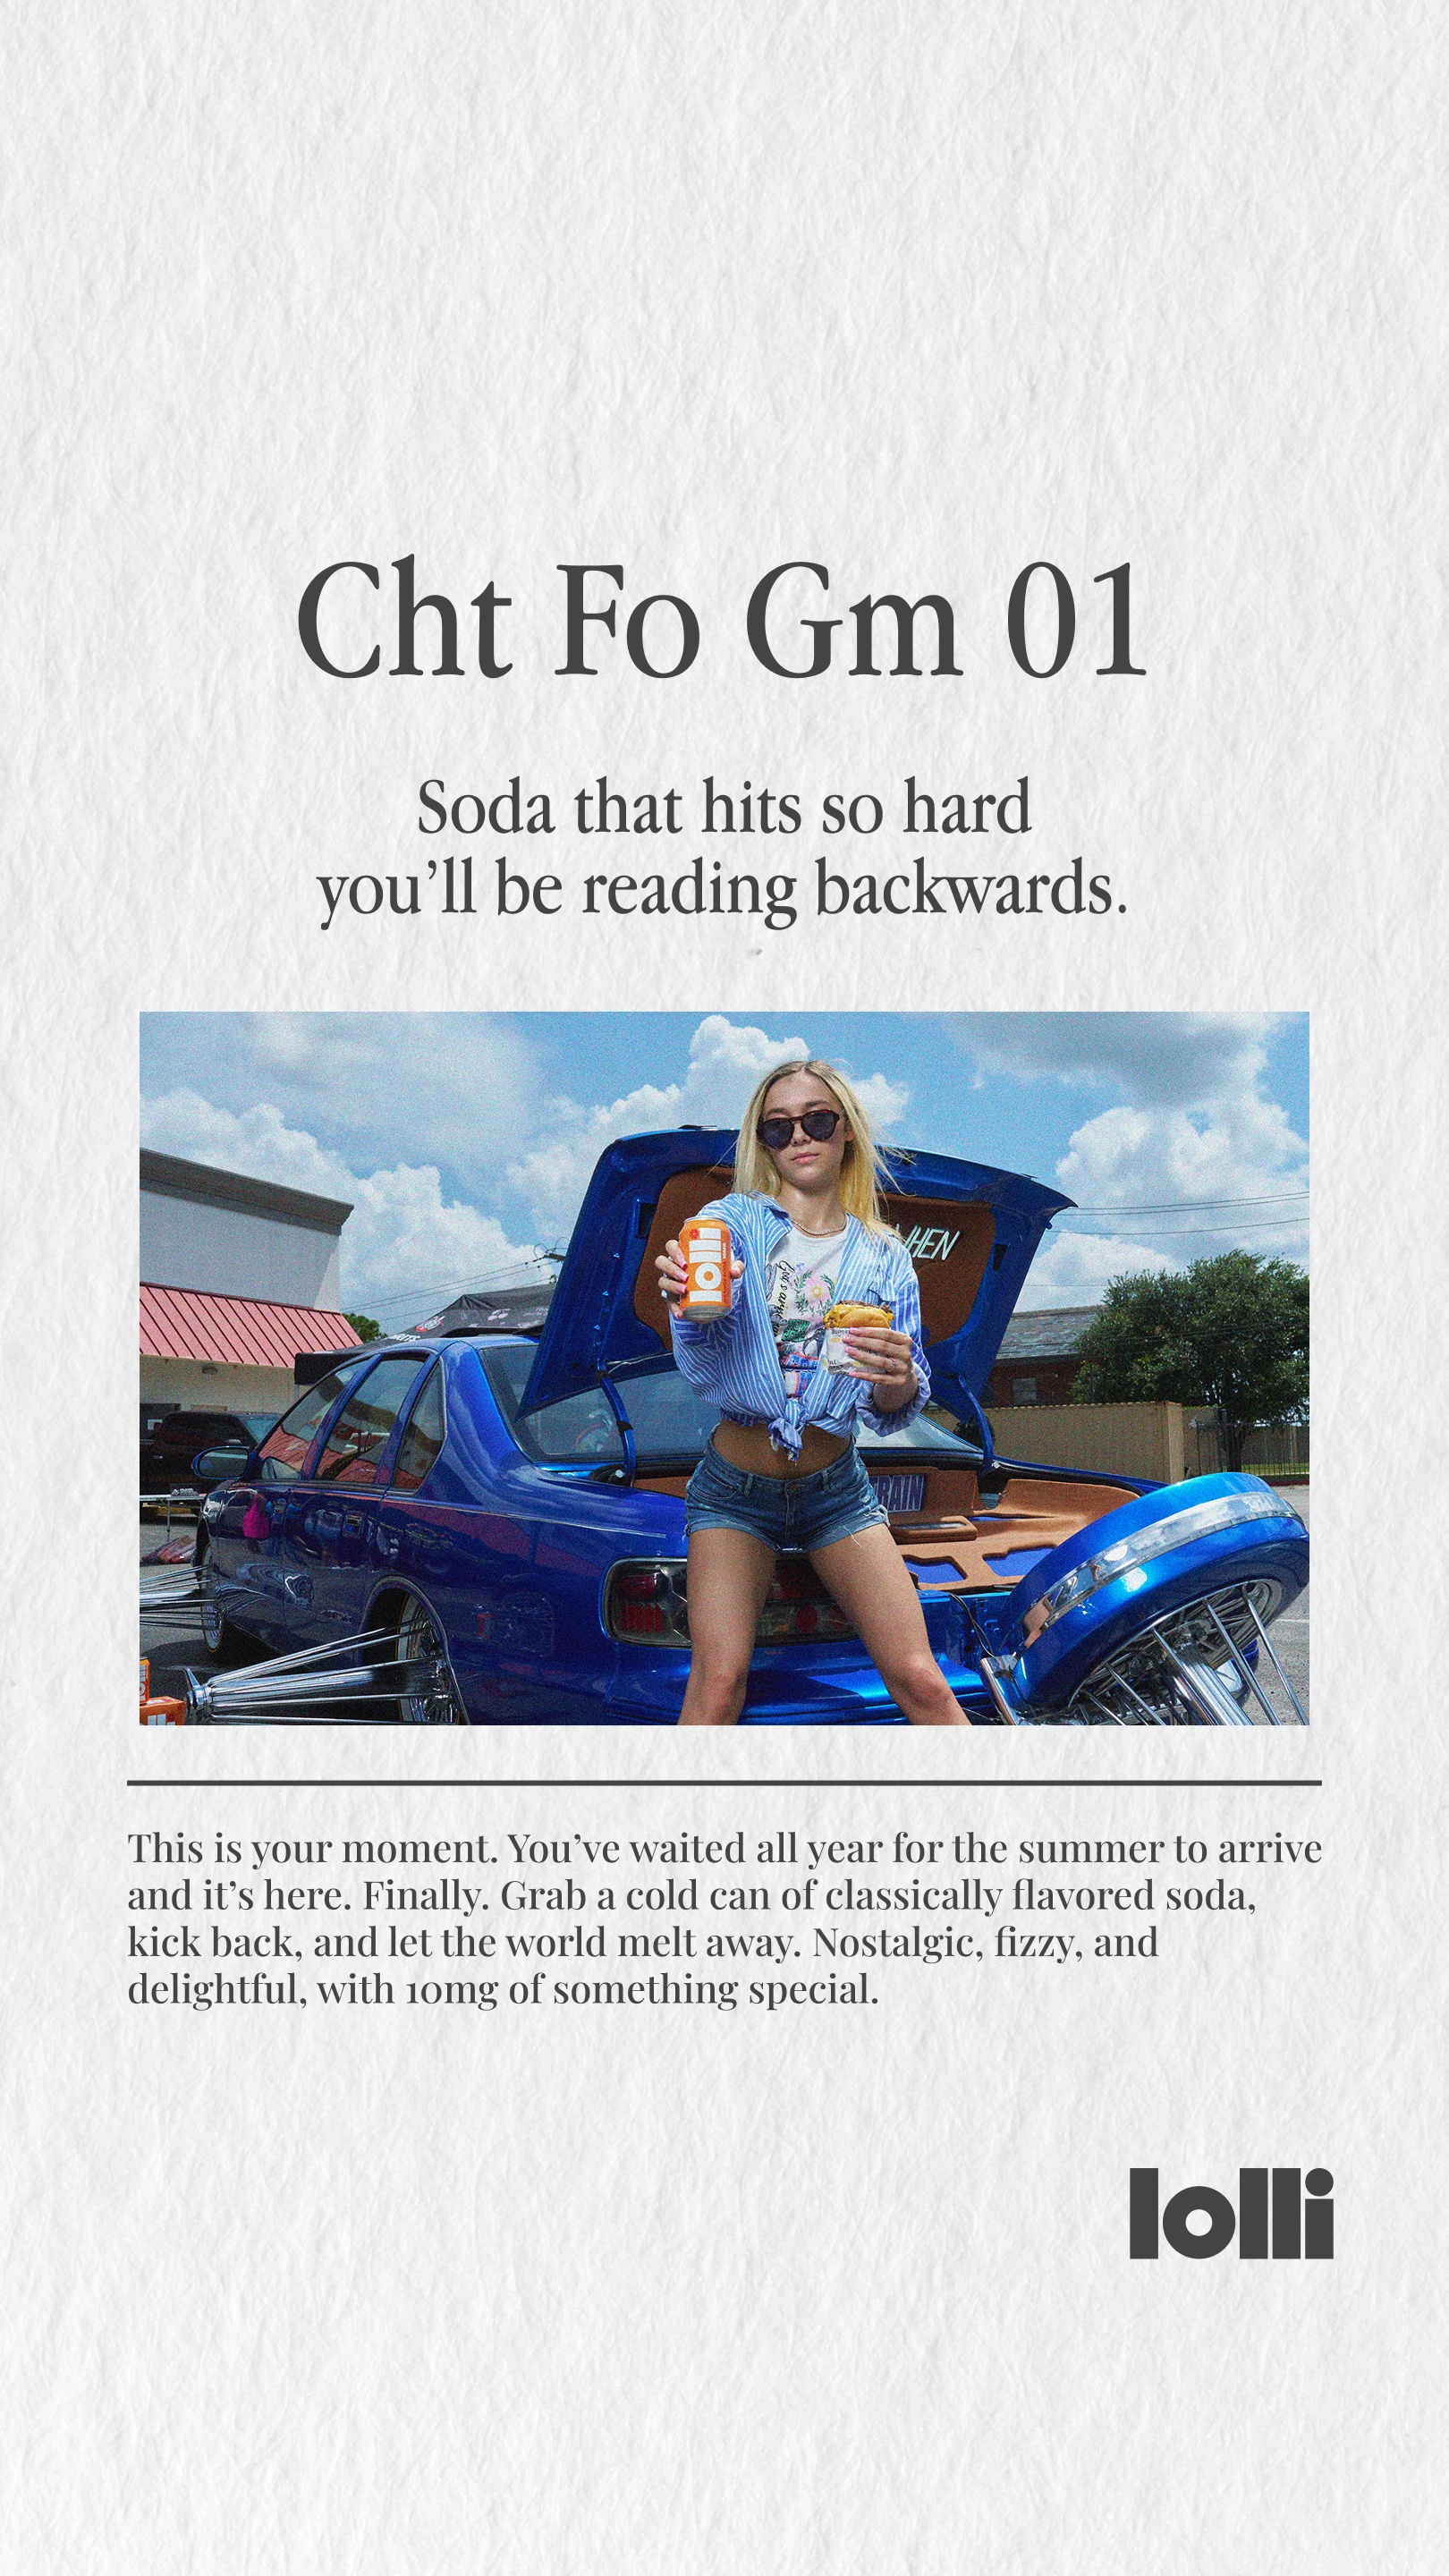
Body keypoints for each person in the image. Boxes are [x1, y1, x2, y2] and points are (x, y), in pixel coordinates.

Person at [657, 1057, 968, 1725]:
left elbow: (891, 1411)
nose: (800, 1137)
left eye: (817, 1120)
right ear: (762, 1142)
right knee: (718, 1686)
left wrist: (900, 1378)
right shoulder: (731, 1222)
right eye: (778, 1127)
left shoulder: (885, 1256)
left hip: (838, 1492)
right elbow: (703, 1347)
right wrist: (683, 1297)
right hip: (734, 1489)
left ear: (846, 1130)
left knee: (922, 1681)